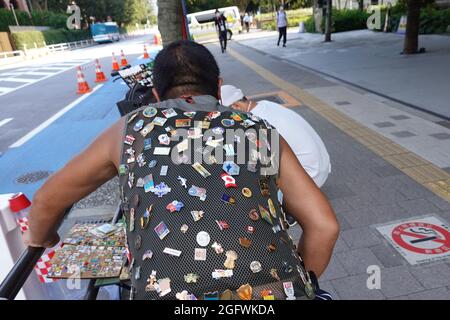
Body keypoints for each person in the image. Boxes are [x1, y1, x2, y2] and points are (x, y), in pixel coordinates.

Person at [24, 40, 338, 300]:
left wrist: (45, 237)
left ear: (157, 96)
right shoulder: (258, 129)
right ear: (218, 87)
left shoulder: (130, 129)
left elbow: (46, 201)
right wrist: (299, 287)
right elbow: (324, 226)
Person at [221, 85, 331, 189]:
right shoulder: (265, 104)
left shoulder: (257, 121)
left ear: (236, 106)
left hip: (311, 175)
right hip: (322, 164)